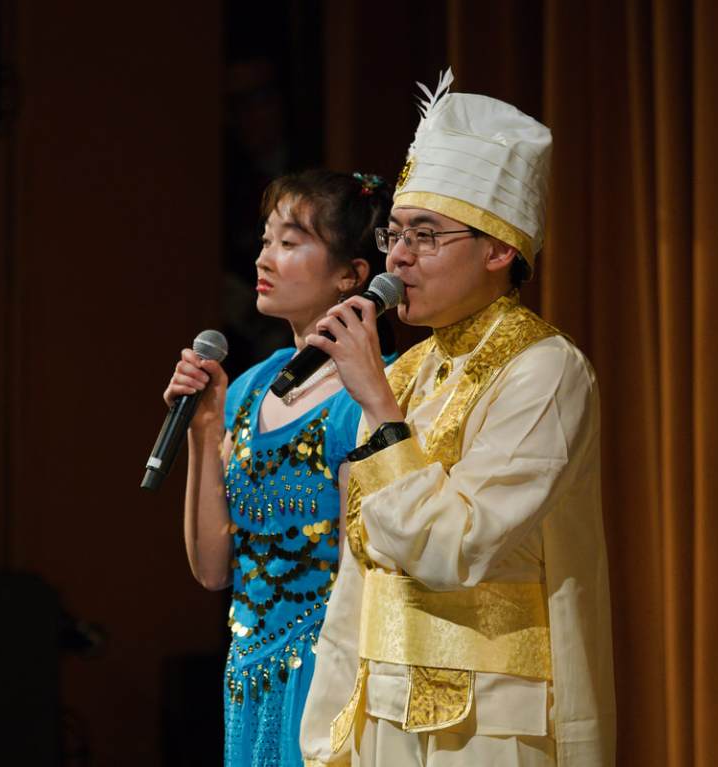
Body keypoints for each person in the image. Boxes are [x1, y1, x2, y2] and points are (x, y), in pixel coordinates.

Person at [299, 70, 616, 766]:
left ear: (499, 249)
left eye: (426, 235)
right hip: (380, 711)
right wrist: (327, 730)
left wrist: (381, 413)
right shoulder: (406, 372)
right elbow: (360, 573)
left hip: (492, 721)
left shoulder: (544, 368)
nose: (398, 255)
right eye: (394, 233)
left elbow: (453, 547)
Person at [163, 170, 395, 767]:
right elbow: (213, 569)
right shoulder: (246, 388)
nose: (265, 258)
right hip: (248, 677)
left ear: (351, 275)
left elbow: (367, 575)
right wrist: (203, 430)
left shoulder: (371, 394)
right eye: (266, 240)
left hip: (331, 676)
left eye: (290, 243)